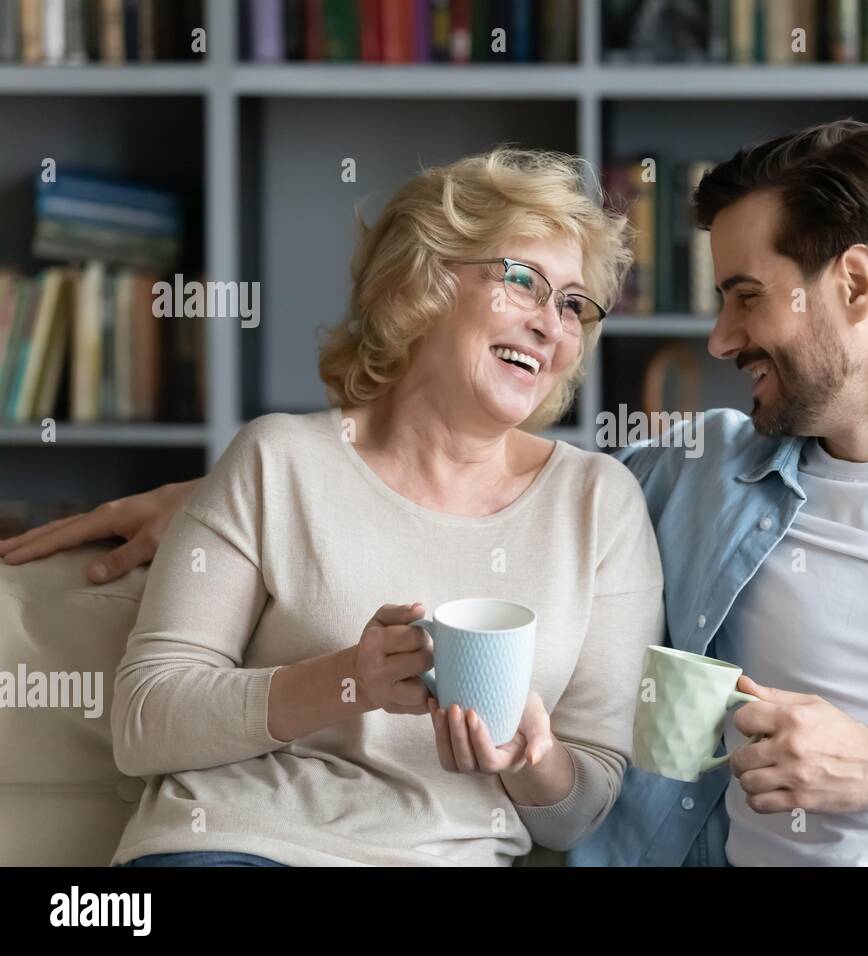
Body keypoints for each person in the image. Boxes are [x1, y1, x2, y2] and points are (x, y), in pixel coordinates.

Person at [3, 122, 868, 867]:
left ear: (856, 285)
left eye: (747, 296)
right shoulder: (693, 473)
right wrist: (218, 496)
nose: (714, 335)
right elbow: (432, 468)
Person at [5, 146, 666, 866]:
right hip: (234, 846)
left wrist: (529, 760)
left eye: (574, 305)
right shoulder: (276, 460)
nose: (552, 325)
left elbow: (579, 811)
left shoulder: (601, 506)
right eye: (523, 281)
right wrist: (348, 679)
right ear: (428, 279)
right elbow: (143, 720)